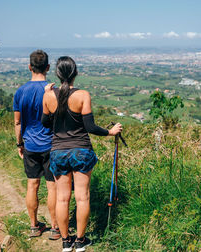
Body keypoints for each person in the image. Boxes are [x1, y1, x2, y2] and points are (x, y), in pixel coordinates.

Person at [42, 56, 122, 252]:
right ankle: (80, 240)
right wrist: (110, 132)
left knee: (62, 198)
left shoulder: (48, 96)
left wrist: (48, 95)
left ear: (58, 74)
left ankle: (65, 241)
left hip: (58, 151)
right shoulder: (83, 95)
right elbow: (90, 126)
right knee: (82, 197)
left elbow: (45, 124)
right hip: (81, 151)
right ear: (75, 73)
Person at [13, 50, 60, 240]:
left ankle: (34, 226)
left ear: (29, 67)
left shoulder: (20, 91)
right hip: (51, 145)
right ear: (48, 67)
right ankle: (56, 228)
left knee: (32, 185)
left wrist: (19, 144)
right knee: (52, 187)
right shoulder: (52, 91)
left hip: (30, 145)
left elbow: (17, 122)